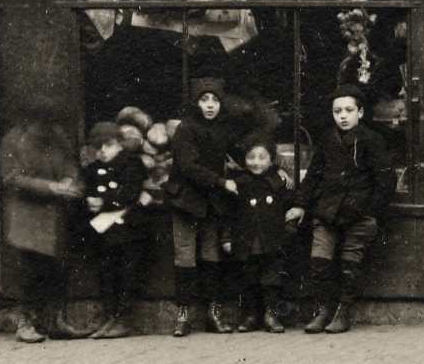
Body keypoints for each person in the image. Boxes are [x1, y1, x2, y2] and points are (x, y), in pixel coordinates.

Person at [299, 90, 398, 333]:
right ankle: (323, 310)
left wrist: (371, 211)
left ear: (360, 112)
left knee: (349, 265)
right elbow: (313, 176)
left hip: (360, 213)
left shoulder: (371, 140)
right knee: (319, 262)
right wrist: (300, 203)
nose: (343, 116)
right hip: (327, 211)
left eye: (349, 110)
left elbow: (386, 180)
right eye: (337, 111)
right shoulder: (327, 140)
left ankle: (343, 312)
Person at [169, 76, 245, 333]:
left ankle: (213, 313)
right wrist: (222, 183)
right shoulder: (185, 129)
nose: (210, 105)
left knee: (211, 257)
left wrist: (277, 170)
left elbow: (240, 154)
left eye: (215, 100)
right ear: (195, 103)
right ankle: (183, 315)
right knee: (185, 258)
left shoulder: (224, 129)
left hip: (213, 203)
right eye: (204, 100)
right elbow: (188, 167)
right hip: (187, 201)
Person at [0, 117, 82, 344]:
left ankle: (55, 321)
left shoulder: (57, 135)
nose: (45, 127)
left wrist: (69, 178)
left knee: (57, 269)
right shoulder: (14, 140)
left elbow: (69, 163)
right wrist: (50, 187)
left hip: (55, 216)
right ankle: (25, 323)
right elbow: (11, 177)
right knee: (30, 272)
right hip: (27, 216)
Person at [73, 120, 147, 337]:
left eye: (107, 145)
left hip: (129, 230)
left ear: (119, 144)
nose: (102, 151)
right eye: (97, 147)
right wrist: (89, 201)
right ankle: (109, 317)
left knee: (126, 275)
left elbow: (130, 193)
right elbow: (85, 190)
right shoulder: (93, 169)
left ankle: (122, 319)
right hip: (105, 231)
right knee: (107, 274)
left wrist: (103, 201)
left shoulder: (132, 164)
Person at [222, 138, 299, 332]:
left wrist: (288, 231)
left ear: (271, 160)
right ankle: (250, 315)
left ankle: (270, 314)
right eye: (251, 157)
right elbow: (228, 213)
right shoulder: (238, 184)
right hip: (246, 239)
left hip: (272, 239)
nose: (256, 162)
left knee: (271, 278)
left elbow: (291, 208)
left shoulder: (279, 182)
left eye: (262, 157)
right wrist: (226, 238)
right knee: (248, 277)